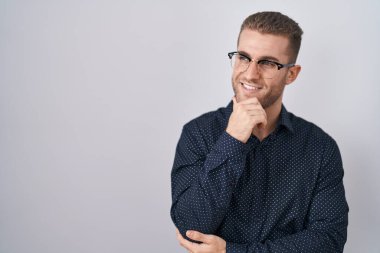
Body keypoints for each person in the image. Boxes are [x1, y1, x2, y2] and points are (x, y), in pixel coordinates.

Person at [170, 11, 348, 253]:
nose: (250, 73)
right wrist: (232, 139)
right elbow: (191, 227)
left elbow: (328, 241)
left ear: (291, 74)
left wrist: (231, 251)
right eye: (244, 57)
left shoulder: (320, 148)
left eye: (267, 63)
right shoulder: (197, 133)